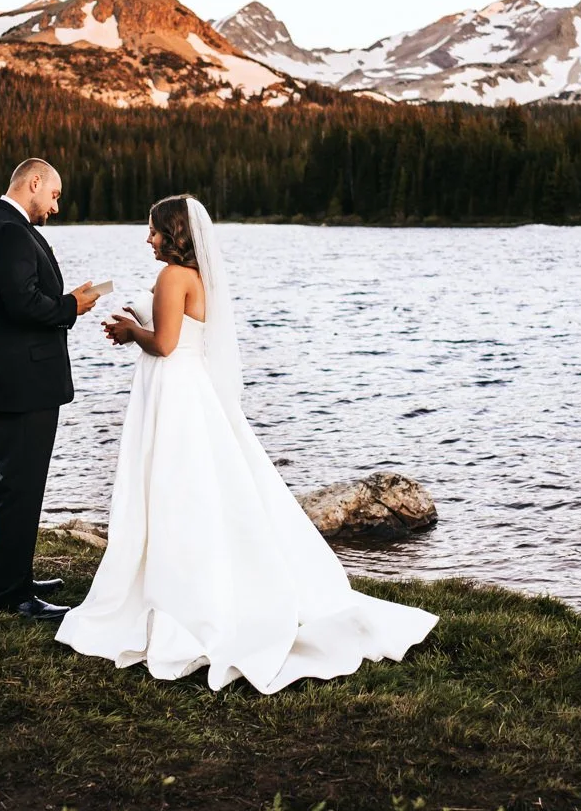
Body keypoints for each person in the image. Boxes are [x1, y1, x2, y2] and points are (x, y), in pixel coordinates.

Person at [56, 194, 436, 692]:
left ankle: (175, 593)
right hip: (187, 389)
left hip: (174, 394)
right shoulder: (198, 276)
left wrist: (132, 332)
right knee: (199, 491)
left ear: (173, 234)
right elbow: (182, 335)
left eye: (152, 230)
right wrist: (141, 326)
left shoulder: (174, 276)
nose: (146, 238)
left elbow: (166, 345)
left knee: (172, 490)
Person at [0, 159, 99, 620]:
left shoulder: (7, 225)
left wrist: (66, 302)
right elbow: (22, 304)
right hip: (19, 383)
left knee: (16, 482)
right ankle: (10, 593)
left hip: (17, 379)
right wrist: (71, 306)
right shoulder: (7, 231)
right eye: (55, 196)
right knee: (21, 485)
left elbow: (19, 297)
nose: (56, 207)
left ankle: (11, 576)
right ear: (34, 183)